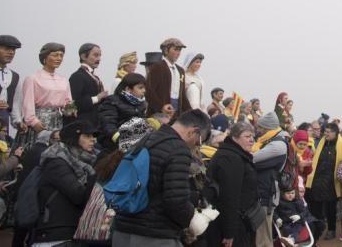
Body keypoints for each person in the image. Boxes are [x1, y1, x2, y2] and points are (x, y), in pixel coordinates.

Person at [111, 109, 212, 246]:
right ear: (193, 131)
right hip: (155, 234)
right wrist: (194, 220)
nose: (197, 146)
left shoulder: (145, 139)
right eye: (199, 141)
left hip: (123, 229)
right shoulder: (178, 149)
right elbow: (176, 201)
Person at [31, 119, 97, 244]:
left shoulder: (84, 163)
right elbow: (79, 196)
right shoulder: (56, 162)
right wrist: (96, 174)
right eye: (87, 136)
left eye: (93, 136)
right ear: (74, 138)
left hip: (72, 231)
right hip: (55, 234)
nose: (93, 140)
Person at [208, 121, 258, 247]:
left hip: (239, 222)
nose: (252, 140)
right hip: (230, 226)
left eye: (253, 136)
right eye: (247, 136)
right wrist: (229, 233)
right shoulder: (231, 158)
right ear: (234, 138)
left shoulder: (237, 156)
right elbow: (229, 197)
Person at [19, 42, 72, 149]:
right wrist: (33, 122)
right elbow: (28, 104)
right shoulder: (33, 78)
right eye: (55, 55)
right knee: (38, 149)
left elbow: (68, 101)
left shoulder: (63, 80)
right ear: (45, 57)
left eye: (61, 55)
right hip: (40, 120)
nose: (59, 58)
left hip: (57, 120)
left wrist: (71, 110)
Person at [252, 112, 290, 247]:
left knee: (263, 234)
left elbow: (253, 159)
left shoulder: (277, 145)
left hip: (267, 193)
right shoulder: (269, 141)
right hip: (263, 191)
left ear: (267, 128)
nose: (258, 130)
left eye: (260, 127)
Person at [306, 121, 342, 241]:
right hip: (318, 180)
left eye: (328, 132)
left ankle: (331, 230)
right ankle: (318, 229)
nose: (326, 134)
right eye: (325, 131)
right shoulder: (321, 143)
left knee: (331, 209)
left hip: (332, 182)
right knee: (316, 207)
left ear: (335, 133)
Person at [98, 72, 149, 151]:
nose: (144, 91)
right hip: (112, 146)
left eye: (144, 88)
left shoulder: (141, 104)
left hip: (134, 143)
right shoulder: (112, 101)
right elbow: (108, 125)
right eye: (140, 88)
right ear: (128, 89)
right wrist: (121, 139)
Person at [68, 42, 108, 128]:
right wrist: (97, 98)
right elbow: (74, 103)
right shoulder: (77, 76)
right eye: (95, 55)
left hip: (95, 123)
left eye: (100, 56)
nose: (98, 59)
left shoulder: (94, 77)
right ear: (83, 56)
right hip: (83, 125)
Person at [144, 38, 188, 117]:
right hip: (159, 113)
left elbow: (183, 96)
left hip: (176, 112)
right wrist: (161, 107)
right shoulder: (158, 67)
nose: (178, 53)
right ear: (166, 50)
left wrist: (192, 113)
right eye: (175, 49)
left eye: (179, 50)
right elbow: (148, 91)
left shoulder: (181, 70)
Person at [0, 35, 22, 138]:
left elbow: (15, 103)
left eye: (13, 49)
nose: (11, 52)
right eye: (6, 49)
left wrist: (18, 122)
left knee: (1, 150)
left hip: (4, 122)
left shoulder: (15, 76)